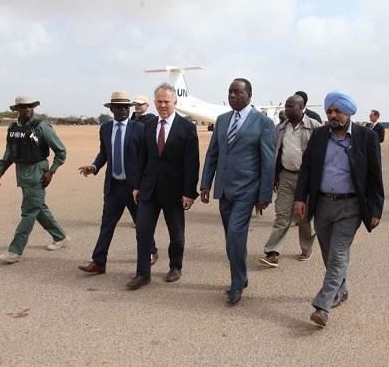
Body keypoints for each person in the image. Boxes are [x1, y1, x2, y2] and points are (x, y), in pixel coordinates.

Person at [294, 90, 383, 327]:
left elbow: (375, 174)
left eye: (338, 111)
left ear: (349, 112)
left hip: (350, 206)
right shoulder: (319, 135)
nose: (333, 115)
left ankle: (323, 305)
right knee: (328, 253)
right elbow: (307, 168)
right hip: (322, 204)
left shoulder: (366, 137)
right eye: (329, 111)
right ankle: (340, 289)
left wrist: (376, 208)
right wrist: (300, 198)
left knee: (338, 253)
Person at [200, 78, 276, 305]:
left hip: (247, 190)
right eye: (230, 92)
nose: (232, 96)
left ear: (249, 95)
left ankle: (236, 284)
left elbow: (268, 161)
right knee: (232, 239)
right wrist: (206, 183)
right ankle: (241, 278)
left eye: (238, 93)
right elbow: (213, 153)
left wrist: (264, 195)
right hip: (224, 189)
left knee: (234, 235)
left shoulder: (263, 123)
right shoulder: (222, 120)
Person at [127, 83, 200, 290]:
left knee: (176, 235)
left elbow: (191, 163)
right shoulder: (148, 126)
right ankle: (143, 274)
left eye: (166, 101)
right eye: (159, 101)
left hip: (174, 192)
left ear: (174, 102)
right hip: (149, 190)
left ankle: (175, 266)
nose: (162, 105)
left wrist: (189, 192)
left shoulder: (187, 128)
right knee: (143, 232)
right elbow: (142, 158)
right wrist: (137, 186)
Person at [77, 92, 158, 275]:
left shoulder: (139, 129)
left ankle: (151, 251)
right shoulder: (105, 128)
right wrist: (94, 166)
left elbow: (146, 158)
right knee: (107, 223)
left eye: (126, 107)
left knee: (141, 223)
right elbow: (104, 153)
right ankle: (99, 261)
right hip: (113, 186)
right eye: (119, 107)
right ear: (111, 109)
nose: (123, 110)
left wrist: (143, 184)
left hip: (134, 188)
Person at [0, 95, 69, 263]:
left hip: (37, 173)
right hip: (22, 173)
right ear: (17, 109)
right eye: (23, 106)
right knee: (37, 207)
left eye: (30, 106)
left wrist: (51, 171)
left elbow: (61, 151)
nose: (28, 109)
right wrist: (1, 170)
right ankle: (60, 236)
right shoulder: (13, 128)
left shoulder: (41, 127)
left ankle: (15, 251)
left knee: (29, 211)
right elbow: (9, 151)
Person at [259, 94, 319, 268]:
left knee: (305, 218)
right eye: (286, 106)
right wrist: (275, 176)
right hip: (286, 176)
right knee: (282, 215)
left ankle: (306, 249)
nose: (286, 109)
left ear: (302, 108)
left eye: (291, 106)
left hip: (306, 179)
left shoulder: (314, 127)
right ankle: (272, 253)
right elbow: (277, 153)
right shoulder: (280, 128)